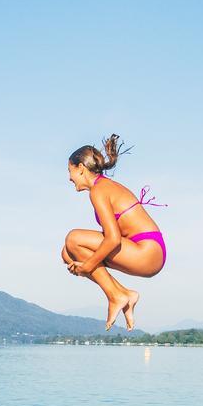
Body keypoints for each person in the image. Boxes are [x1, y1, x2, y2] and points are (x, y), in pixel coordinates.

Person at [61, 135, 166, 330]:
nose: (69, 177)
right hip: (145, 250)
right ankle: (123, 294)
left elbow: (113, 239)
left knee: (73, 239)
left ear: (80, 168)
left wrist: (87, 267)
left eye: (70, 171)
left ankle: (116, 296)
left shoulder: (98, 190)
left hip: (148, 252)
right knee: (67, 253)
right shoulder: (102, 187)